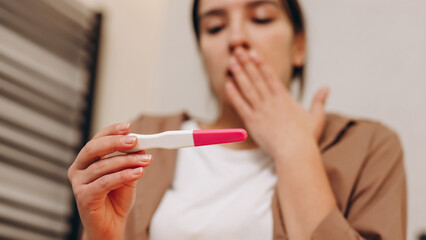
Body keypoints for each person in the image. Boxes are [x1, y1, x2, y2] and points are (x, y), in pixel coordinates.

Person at [67, 0, 407, 239]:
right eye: (214, 26)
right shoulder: (148, 136)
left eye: (261, 18)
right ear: (202, 50)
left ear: (299, 46)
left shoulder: (368, 146)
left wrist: (295, 149)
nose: (236, 39)